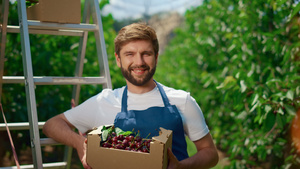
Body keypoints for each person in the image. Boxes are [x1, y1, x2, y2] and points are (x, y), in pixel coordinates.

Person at [43, 23, 219, 169]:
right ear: (118, 59)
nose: (139, 62)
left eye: (146, 54)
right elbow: (52, 125)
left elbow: (210, 153)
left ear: (156, 57)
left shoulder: (182, 100)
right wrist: (80, 143)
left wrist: (181, 167)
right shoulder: (104, 101)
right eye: (130, 54)